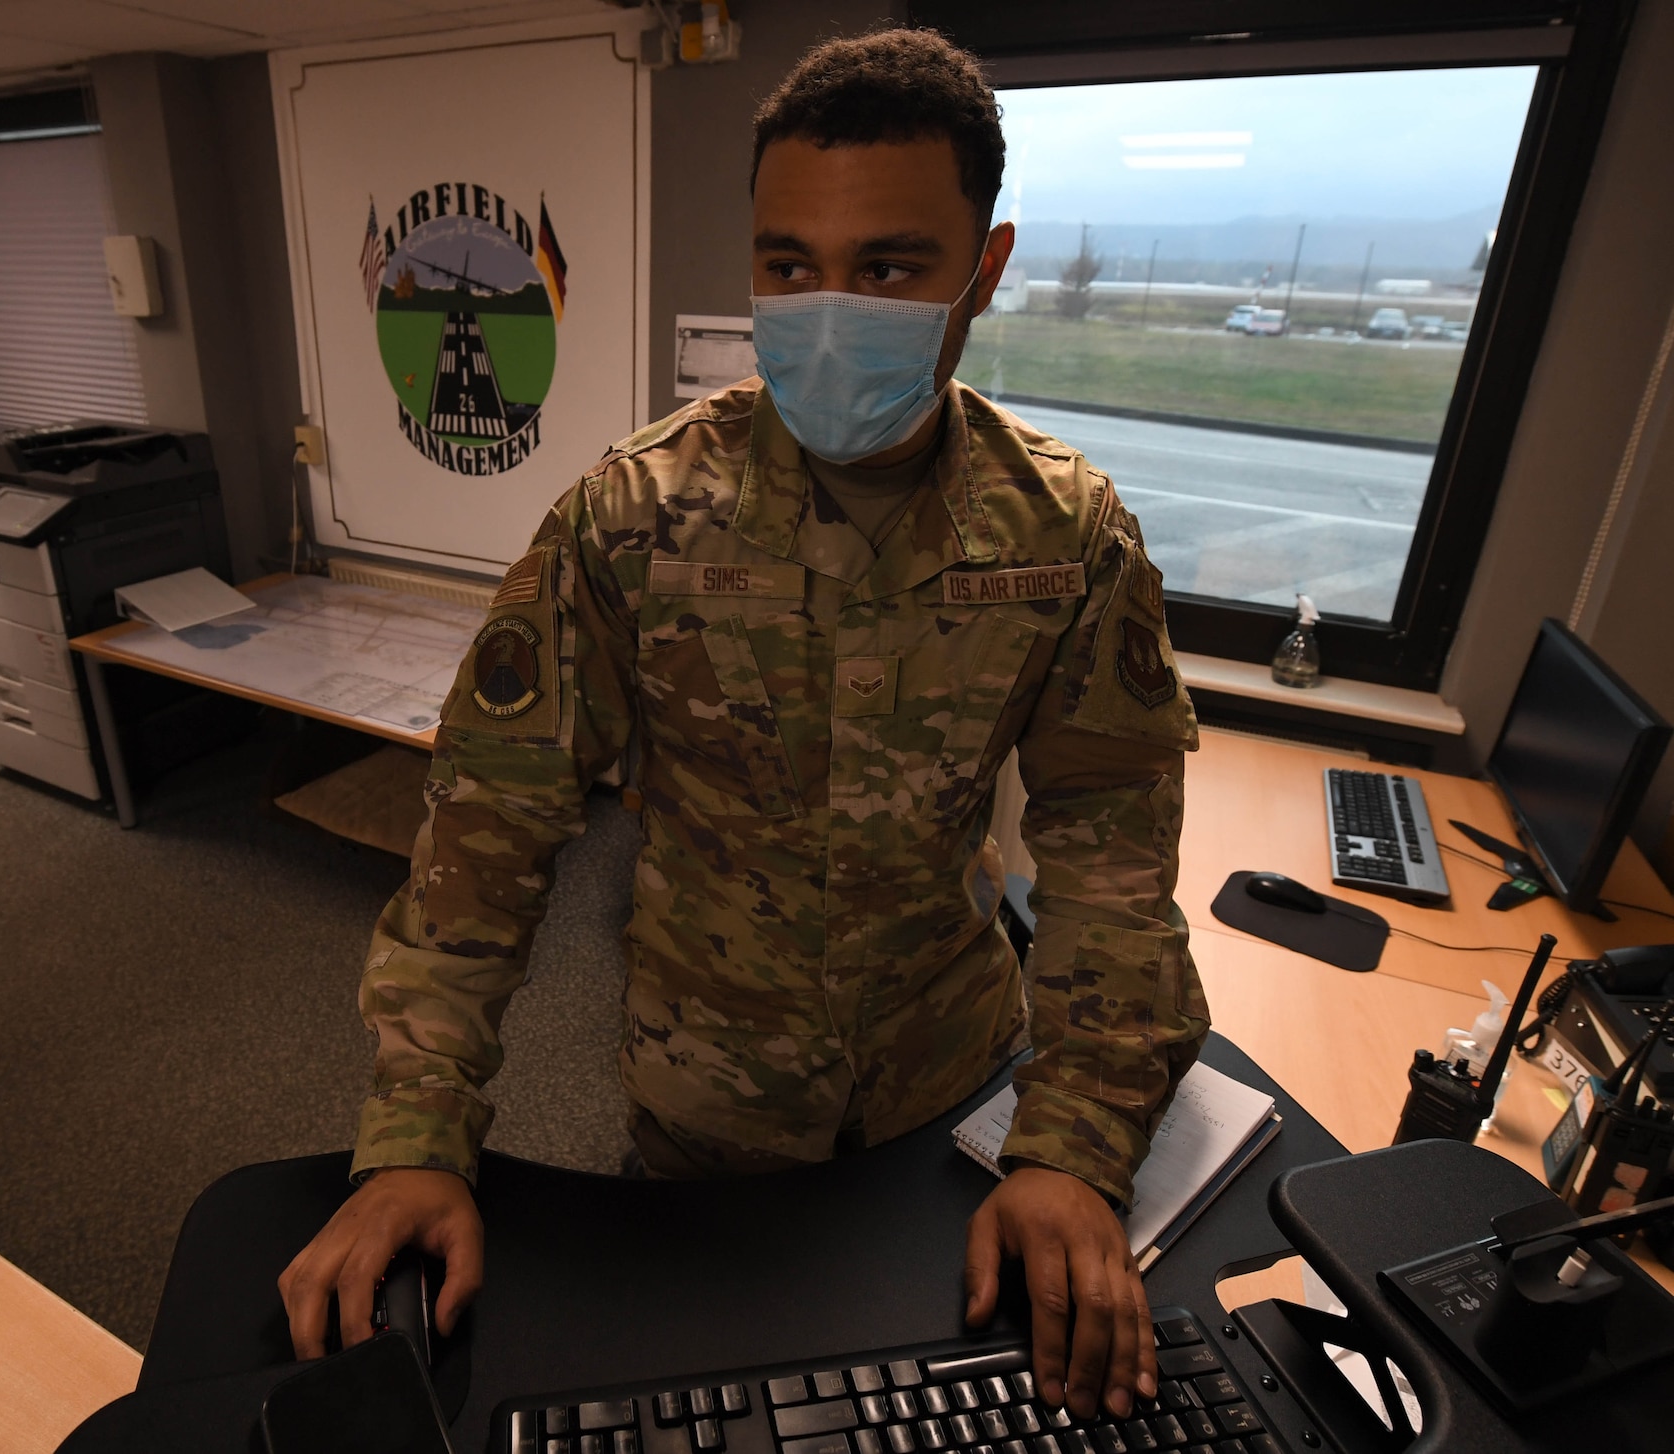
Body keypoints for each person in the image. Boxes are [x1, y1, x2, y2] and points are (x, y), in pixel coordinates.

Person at [280, 28, 1207, 1423]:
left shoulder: (1062, 532)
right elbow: (487, 830)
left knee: (944, 1406)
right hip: (708, 1094)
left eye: (889, 268)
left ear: (986, 269)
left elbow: (1115, 857)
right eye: (788, 265)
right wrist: (418, 1135)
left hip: (943, 1092)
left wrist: (1071, 1144)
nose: (829, 310)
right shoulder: (632, 518)